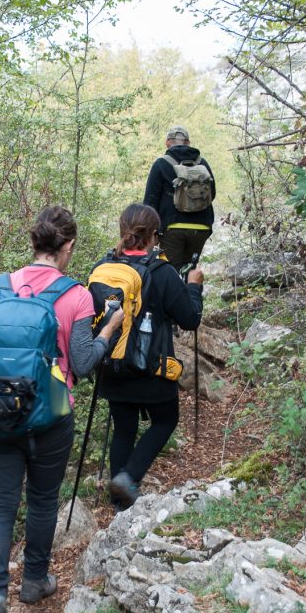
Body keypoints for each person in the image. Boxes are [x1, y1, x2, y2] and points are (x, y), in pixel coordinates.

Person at [0, 205, 124, 613]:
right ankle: (35, 580)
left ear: (34, 242)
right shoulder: (75, 295)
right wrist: (108, 331)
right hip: (50, 417)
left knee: (1, 503)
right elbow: (81, 361)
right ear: (68, 246)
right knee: (42, 500)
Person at [98, 203, 203, 510]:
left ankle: (121, 507)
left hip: (113, 364)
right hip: (151, 368)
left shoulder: (104, 267)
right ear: (154, 236)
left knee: (124, 430)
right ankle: (128, 478)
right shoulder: (162, 272)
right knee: (165, 420)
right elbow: (190, 319)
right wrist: (193, 287)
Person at [142, 124, 216, 269]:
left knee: (172, 274)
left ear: (167, 143)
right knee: (190, 270)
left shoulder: (161, 164)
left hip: (173, 228)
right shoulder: (202, 163)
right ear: (188, 143)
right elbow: (212, 194)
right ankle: (194, 290)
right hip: (201, 227)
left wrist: (150, 232)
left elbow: (150, 202)